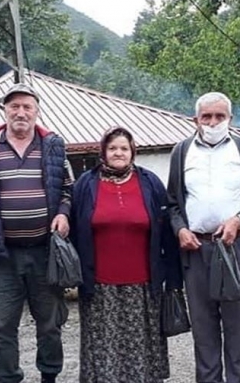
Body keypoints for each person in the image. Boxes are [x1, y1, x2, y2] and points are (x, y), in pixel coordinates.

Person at [0, 83, 73, 383]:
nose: (21, 112)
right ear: (5, 110)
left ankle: (49, 376)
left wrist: (63, 212)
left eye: (27, 107)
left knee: (50, 323)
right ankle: (8, 377)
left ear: (36, 112)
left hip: (44, 252)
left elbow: (68, 189)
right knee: (1, 325)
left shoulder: (53, 145)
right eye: (14, 106)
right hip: (1, 254)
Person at [167, 92, 240, 383]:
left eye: (219, 116)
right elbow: (172, 204)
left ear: (230, 119)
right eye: (207, 117)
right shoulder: (181, 152)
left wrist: (239, 220)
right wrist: (180, 229)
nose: (213, 122)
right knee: (204, 329)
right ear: (196, 120)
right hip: (196, 248)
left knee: (237, 328)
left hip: (236, 247)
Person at [71, 126, 183, 383]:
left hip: (143, 287)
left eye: (124, 148)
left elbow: (167, 233)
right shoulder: (86, 184)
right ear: (103, 152)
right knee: (104, 353)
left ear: (132, 152)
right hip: (99, 288)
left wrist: (173, 280)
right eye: (112, 148)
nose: (118, 153)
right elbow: (75, 229)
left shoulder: (150, 182)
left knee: (141, 353)